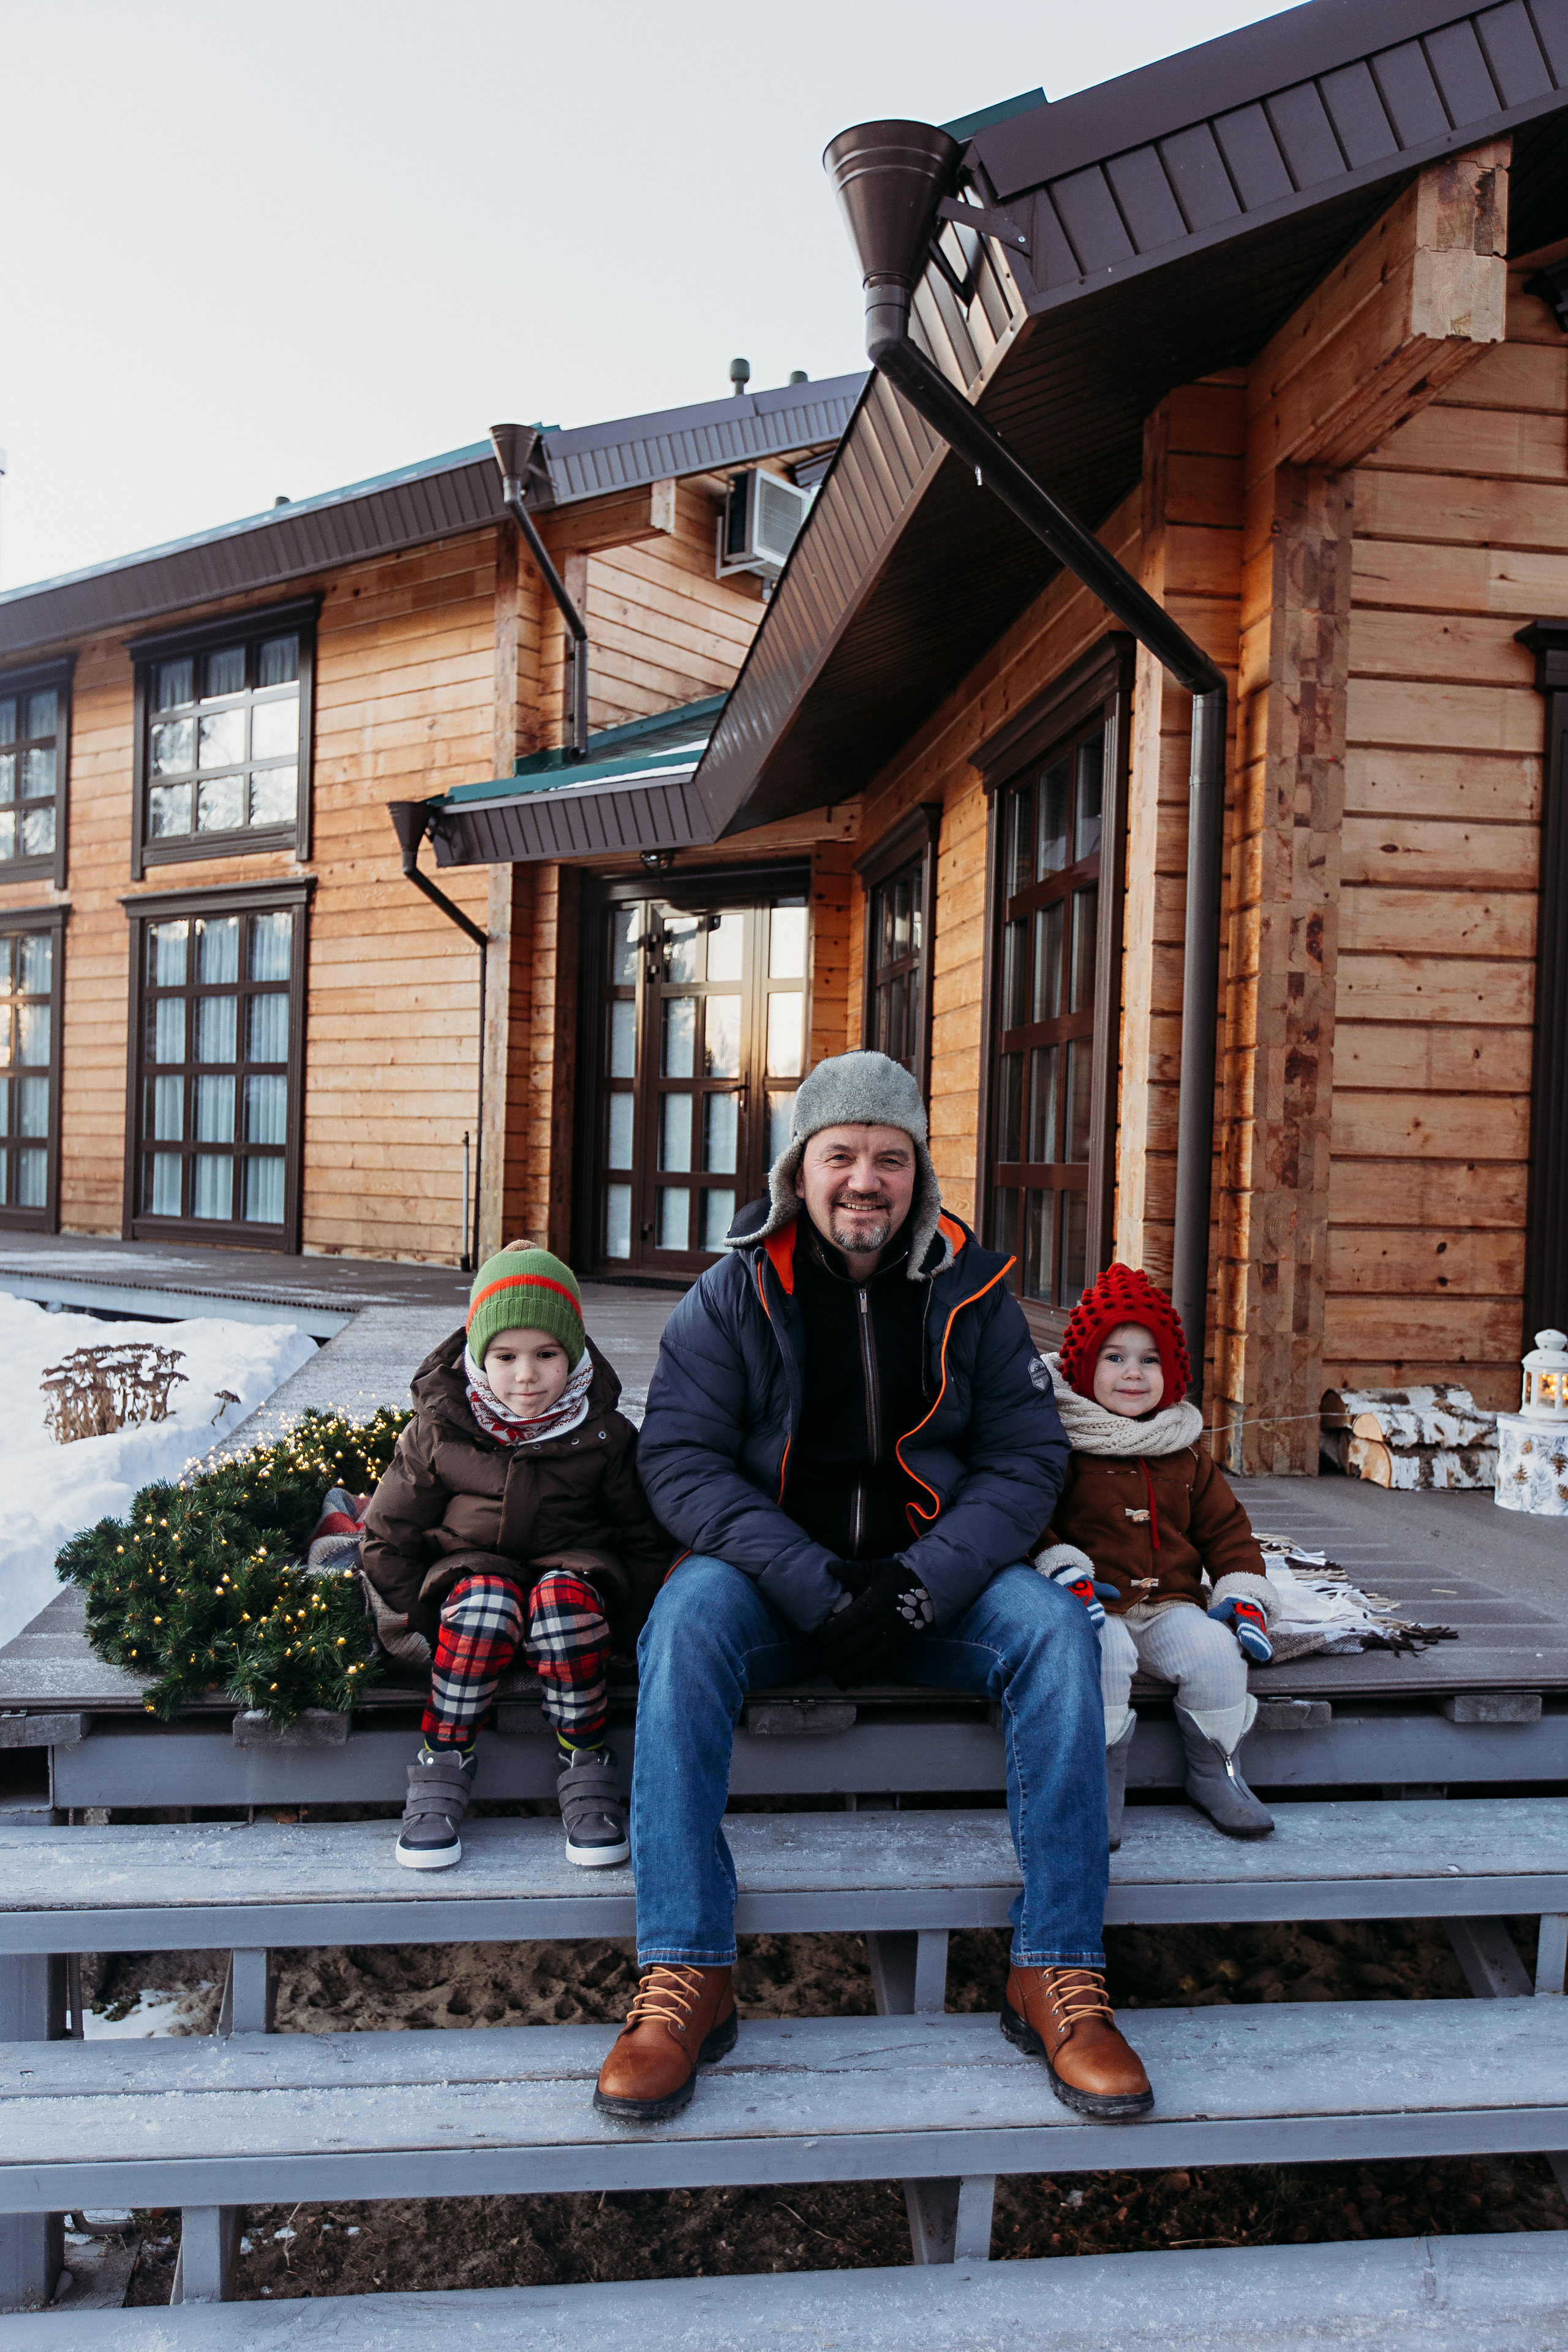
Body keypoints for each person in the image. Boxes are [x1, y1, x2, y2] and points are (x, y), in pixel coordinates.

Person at [591, 1050, 1153, 2128]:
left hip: (928, 1588)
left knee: (1054, 1632)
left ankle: (1059, 1970)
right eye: (840, 1154)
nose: (864, 1180)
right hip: (774, 1587)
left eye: (889, 1158)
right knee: (684, 1622)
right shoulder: (731, 1293)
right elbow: (682, 1461)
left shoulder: (975, 1295)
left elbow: (1027, 1461)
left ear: (918, 1176)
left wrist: (920, 1585)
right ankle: (686, 1971)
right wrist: (806, 1582)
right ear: (798, 1172)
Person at [360, 1242, 672, 1872]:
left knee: (561, 1607)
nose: (525, 1376)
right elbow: (388, 1533)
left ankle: (585, 1761)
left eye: (546, 1355)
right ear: (479, 1355)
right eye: (505, 1357)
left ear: (574, 1354)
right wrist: (423, 1624)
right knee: (483, 1604)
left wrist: (628, 1631)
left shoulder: (604, 1434)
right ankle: (441, 1763)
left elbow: (642, 1538)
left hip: (575, 1576)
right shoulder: (439, 1431)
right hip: (470, 1577)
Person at [1036, 1262, 1280, 1847]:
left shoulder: (1185, 1451)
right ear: (1083, 1366)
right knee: (1099, 1655)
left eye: (1150, 1360)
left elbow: (1227, 1532)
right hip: (1097, 1605)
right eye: (1114, 1358)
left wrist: (1243, 1594)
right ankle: (1097, 1784)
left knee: (1218, 1655)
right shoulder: (1057, 1443)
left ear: (1170, 1373)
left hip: (1170, 1602)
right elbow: (1029, 1522)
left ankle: (1215, 1771)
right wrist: (1064, 1569)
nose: (1132, 1374)